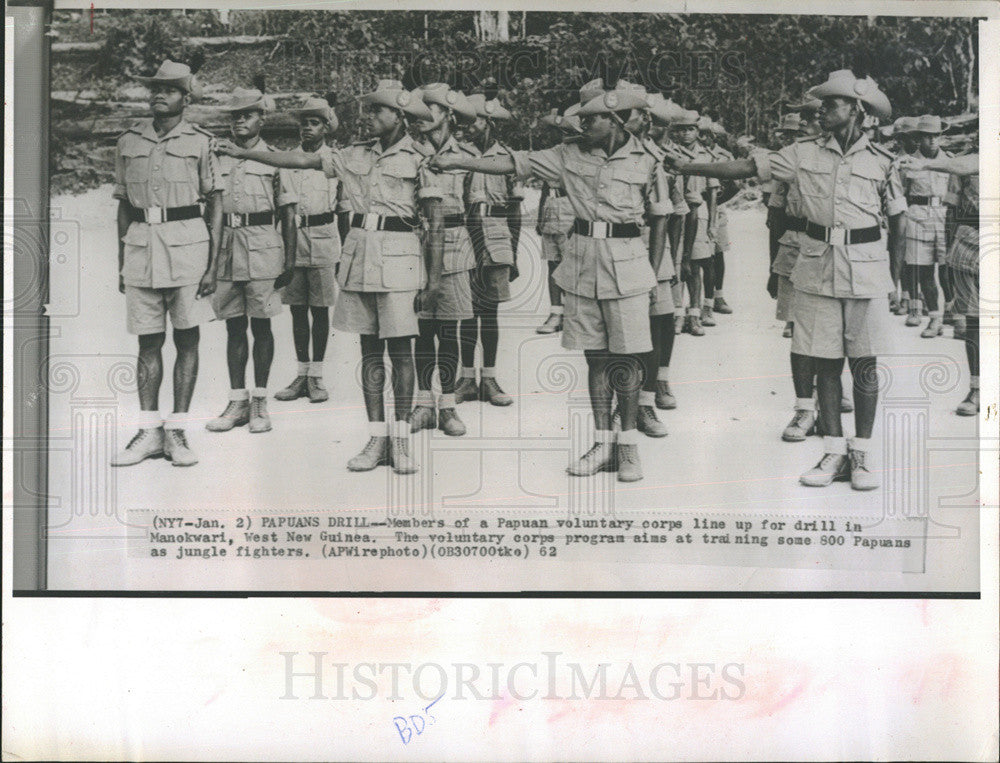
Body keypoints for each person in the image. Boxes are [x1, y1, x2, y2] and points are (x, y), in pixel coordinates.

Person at [669, 70, 907, 491]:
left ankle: (863, 455)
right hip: (815, 266)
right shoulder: (799, 153)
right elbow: (746, 166)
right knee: (825, 362)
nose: (823, 110)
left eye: (832, 104)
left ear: (856, 109)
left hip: (868, 270)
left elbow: (898, 221)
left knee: (866, 365)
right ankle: (833, 452)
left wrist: (898, 280)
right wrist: (689, 165)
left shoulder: (883, 162)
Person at [429, 85, 671, 482]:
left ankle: (628, 447)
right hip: (581, 267)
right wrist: (459, 162)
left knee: (626, 358)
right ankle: (602, 442)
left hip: (629, 268)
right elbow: (513, 164)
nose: (582, 124)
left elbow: (661, 217)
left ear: (613, 121)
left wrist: (654, 274)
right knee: (595, 357)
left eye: (590, 119)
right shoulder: (566, 155)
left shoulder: (649, 160)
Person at [216, 79, 441, 473]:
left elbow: (435, 224)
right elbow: (300, 162)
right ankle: (376, 438)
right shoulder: (351, 154)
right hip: (360, 257)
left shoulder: (423, 157)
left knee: (401, 353)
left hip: (402, 260)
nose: (367, 117)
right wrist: (241, 153)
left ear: (399, 115)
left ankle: (401, 441)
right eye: (367, 109)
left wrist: (434, 281)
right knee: (369, 351)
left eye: (377, 110)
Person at [111, 60, 222, 467]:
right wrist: (121, 259)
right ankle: (148, 431)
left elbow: (217, 203)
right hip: (141, 248)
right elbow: (123, 205)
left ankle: (176, 430)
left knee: (187, 339)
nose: (160, 95)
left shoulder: (202, 141)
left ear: (185, 98)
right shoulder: (127, 141)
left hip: (188, 249)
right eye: (156, 88)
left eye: (171, 89)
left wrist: (212, 266)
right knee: (147, 341)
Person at [205, 88, 297, 436]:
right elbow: (208, 209)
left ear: (262, 119)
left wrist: (289, 258)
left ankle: (260, 400)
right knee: (232, 326)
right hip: (228, 247)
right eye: (234, 115)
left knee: (261, 326)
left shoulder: (274, 159)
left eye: (247, 114)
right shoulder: (217, 158)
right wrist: (209, 261)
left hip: (263, 249)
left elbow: (288, 214)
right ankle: (237, 400)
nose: (239, 120)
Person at [408, 83, 480, 436]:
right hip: (413, 244)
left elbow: (475, 212)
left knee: (449, 330)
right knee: (420, 328)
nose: (422, 116)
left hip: (454, 246)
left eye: (431, 109)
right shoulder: (408, 152)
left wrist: (479, 259)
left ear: (449, 115)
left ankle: (448, 406)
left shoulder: (466, 157)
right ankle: (423, 403)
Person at [899, 151, 980, 415]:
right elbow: (953, 209)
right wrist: (950, 254)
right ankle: (977, 388)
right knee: (975, 323)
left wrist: (925, 163)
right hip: (971, 244)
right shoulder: (970, 160)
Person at [455, 91, 521, 408]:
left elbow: (515, 211)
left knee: (490, 312)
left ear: (491, 124)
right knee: (467, 312)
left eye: (475, 120)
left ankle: (490, 378)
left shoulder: (506, 157)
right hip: (465, 236)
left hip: (497, 239)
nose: (468, 125)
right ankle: (467, 378)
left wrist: (516, 255)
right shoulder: (458, 154)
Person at [274, 96, 341, 404]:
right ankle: (301, 373)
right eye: (303, 124)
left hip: (325, 237)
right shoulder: (288, 160)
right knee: (297, 310)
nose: (307, 129)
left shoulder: (335, 159)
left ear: (326, 127)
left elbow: (345, 208)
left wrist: (344, 254)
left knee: (320, 309)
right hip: (294, 239)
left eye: (314, 123)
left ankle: (317, 375)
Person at [899, 115, 953, 337]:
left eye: (936, 136)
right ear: (919, 138)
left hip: (944, 217)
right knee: (924, 272)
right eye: (927, 136)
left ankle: (951, 312)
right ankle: (934, 318)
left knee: (948, 270)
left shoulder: (950, 161)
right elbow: (901, 195)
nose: (932, 141)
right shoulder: (908, 163)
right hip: (918, 218)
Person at [535, 107, 583, 335]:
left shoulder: (581, 155)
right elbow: (546, 184)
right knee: (553, 263)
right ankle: (556, 312)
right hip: (551, 209)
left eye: (566, 131)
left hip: (570, 208)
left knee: (572, 265)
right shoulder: (554, 154)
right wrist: (539, 216)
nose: (561, 136)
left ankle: (573, 313)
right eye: (559, 132)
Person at [671, 108, 717, 336]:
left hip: (700, 215)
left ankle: (695, 314)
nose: (687, 134)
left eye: (691, 129)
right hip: (676, 215)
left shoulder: (705, 157)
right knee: (676, 266)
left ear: (697, 132)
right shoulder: (669, 154)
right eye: (681, 130)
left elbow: (714, 192)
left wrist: (713, 223)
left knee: (695, 266)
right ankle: (678, 313)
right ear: (674, 133)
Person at [702, 119, 738, 317]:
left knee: (718, 253)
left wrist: (718, 202)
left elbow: (734, 186)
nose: (702, 138)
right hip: (697, 208)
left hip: (717, 210)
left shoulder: (724, 156)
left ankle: (718, 296)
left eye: (705, 135)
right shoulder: (694, 154)